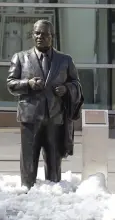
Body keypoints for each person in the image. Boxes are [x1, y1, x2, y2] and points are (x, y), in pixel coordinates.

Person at [7, 20, 83, 189]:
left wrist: (66, 88)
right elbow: (11, 84)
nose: (40, 37)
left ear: (52, 37)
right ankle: (27, 187)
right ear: (32, 35)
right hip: (30, 117)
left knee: (54, 158)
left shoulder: (65, 60)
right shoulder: (20, 58)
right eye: (37, 33)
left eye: (45, 34)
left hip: (55, 117)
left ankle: (54, 188)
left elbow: (77, 85)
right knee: (29, 157)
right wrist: (28, 84)